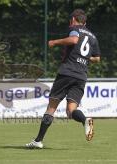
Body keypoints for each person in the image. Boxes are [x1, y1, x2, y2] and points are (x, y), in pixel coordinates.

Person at [26, 9, 101, 149]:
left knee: (51, 107)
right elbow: (97, 59)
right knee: (71, 111)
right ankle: (85, 120)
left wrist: (54, 42)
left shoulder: (74, 29)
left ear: (73, 19)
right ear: (85, 22)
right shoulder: (93, 37)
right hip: (81, 76)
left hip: (67, 72)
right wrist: (84, 57)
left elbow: (74, 39)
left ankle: (38, 141)